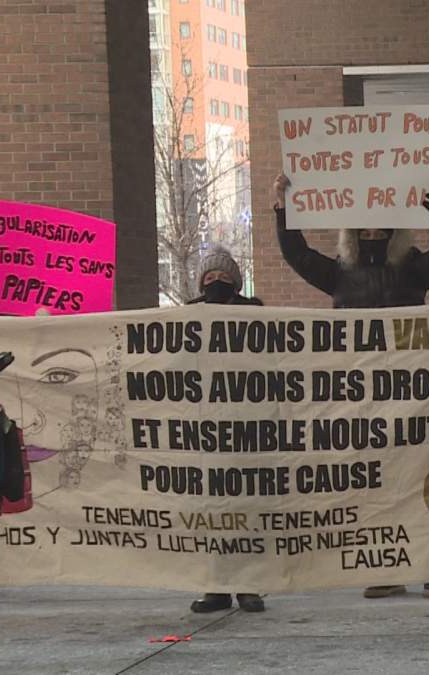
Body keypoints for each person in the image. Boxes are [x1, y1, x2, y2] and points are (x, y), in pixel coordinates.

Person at [273, 171, 429, 602]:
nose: (374, 231)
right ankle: (385, 567)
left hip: (413, 393)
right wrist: (283, 207)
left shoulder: (413, 270)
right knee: (375, 483)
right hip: (362, 396)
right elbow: (297, 254)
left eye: (382, 224)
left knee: (425, 478)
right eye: (365, 225)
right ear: (352, 232)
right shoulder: (340, 274)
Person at [187, 245, 265, 613]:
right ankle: (216, 587)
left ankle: (249, 586)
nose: (216, 282)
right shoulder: (188, 317)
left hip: (247, 423)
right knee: (211, 510)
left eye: (223, 276)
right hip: (204, 429)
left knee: (246, 506)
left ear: (236, 280)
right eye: (209, 277)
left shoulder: (255, 313)